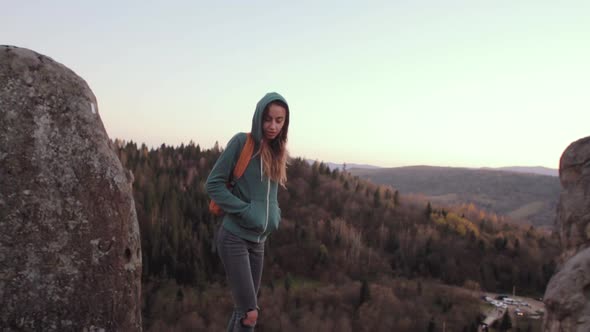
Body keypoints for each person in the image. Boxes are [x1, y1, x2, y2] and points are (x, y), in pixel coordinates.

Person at [206, 92, 289, 331]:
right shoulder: (242, 143)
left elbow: (270, 196)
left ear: (285, 122)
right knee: (250, 314)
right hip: (234, 238)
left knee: (243, 310)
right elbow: (213, 184)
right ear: (258, 118)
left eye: (279, 120)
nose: (272, 126)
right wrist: (245, 210)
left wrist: (275, 215)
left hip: (258, 242)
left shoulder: (277, 151)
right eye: (267, 119)